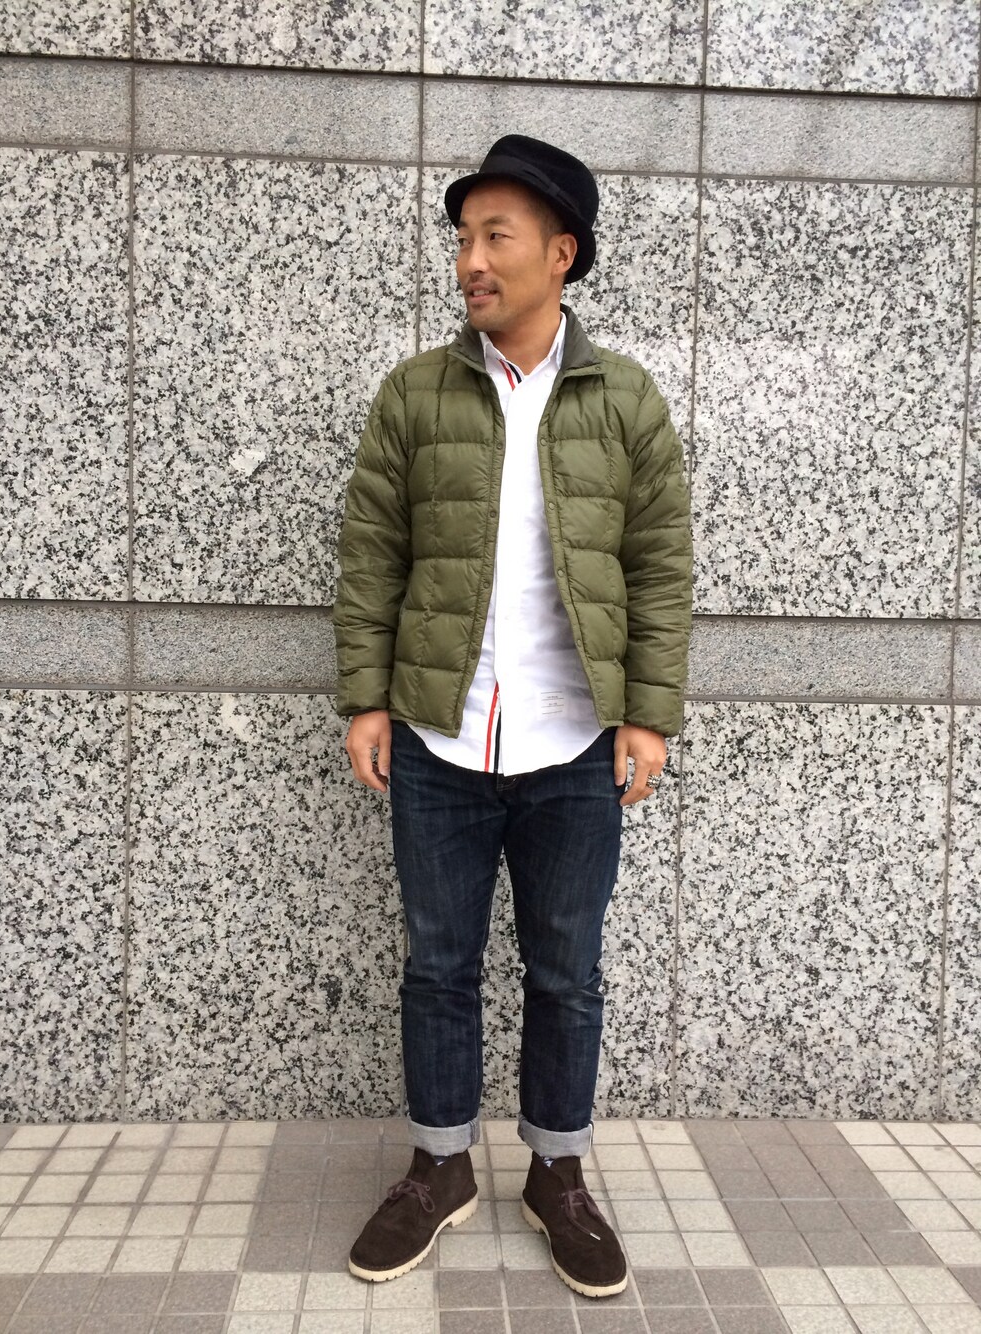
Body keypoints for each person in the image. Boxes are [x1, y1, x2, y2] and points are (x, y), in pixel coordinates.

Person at [332, 134, 693, 1298]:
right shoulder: (415, 393)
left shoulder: (624, 398)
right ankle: (440, 1164)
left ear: (560, 253)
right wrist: (367, 697)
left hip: (575, 743)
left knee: (566, 970)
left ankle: (556, 1172)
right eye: (462, 238)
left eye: (495, 237)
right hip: (440, 737)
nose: (469, 261)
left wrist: (647, 716)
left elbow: (659, 567)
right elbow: (371, 556)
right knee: (437, 964)